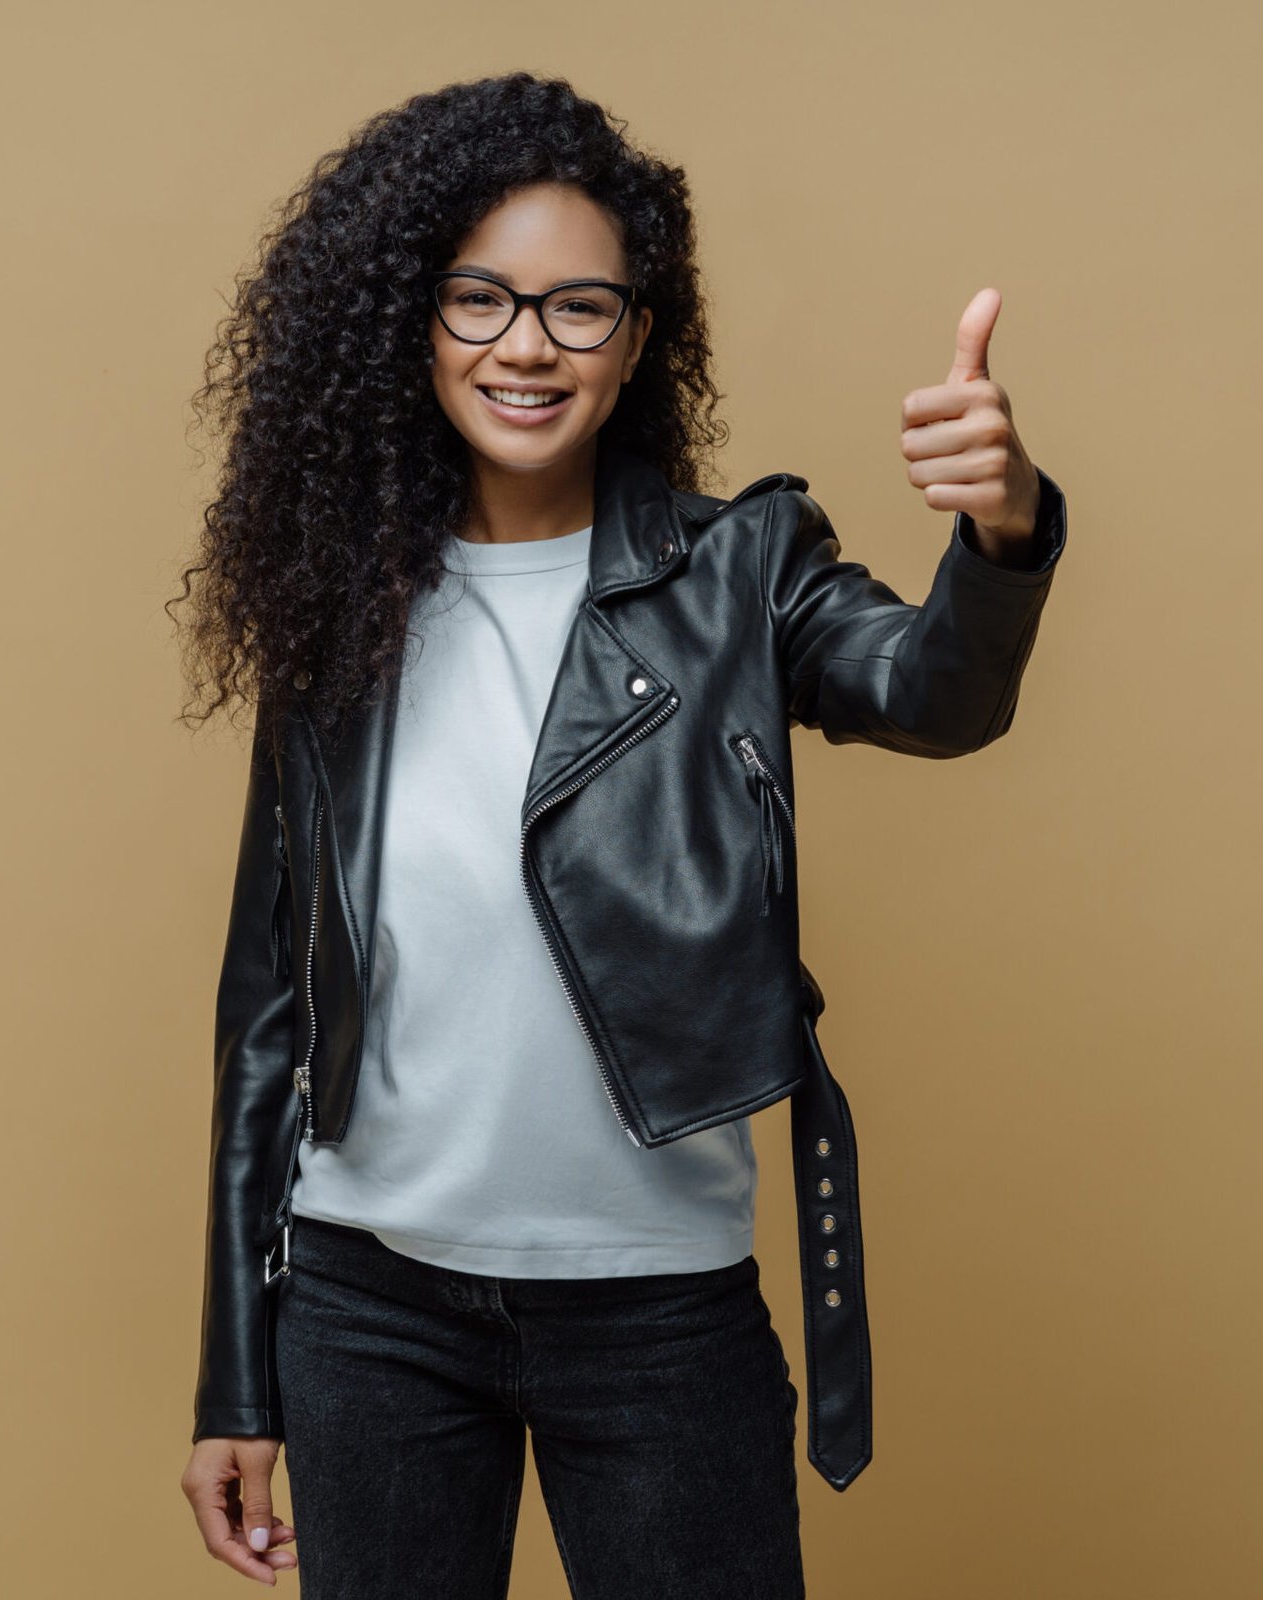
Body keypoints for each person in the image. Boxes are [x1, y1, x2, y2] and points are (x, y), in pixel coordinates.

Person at [172, 69, 1068, 1598]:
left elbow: (930, 695)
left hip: (657, 1315)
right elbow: (270, 1000)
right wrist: (234, 1383)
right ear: (417, 323)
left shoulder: (740, 569)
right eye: (481, 300)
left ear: (637, 339)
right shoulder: (340, 607)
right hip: (367, 1310)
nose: (527, 344)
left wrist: (1003, 529)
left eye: (579, 306)